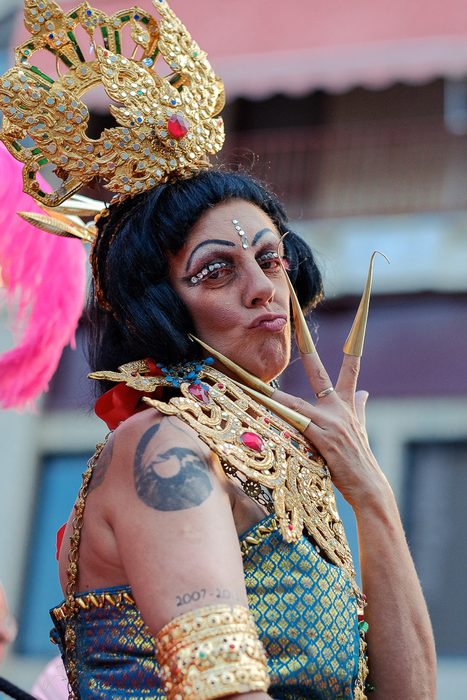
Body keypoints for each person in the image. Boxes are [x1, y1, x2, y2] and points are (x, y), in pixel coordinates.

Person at [0, 1, 436, 699]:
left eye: (271, 260)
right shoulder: (162, 444)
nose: (263, 288)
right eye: (216, 270)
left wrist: (373, 497)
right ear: (160, 305)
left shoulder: (286, 453)